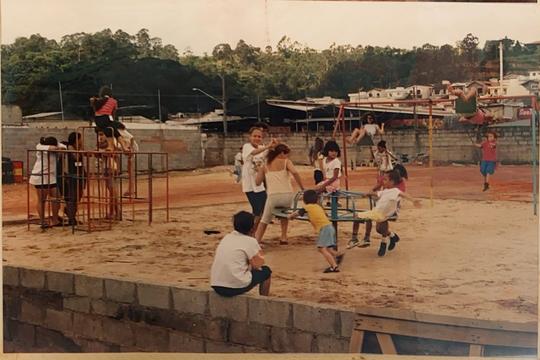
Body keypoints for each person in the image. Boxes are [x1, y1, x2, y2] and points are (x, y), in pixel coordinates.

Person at [352, 171, 421, 256]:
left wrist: (413, 200)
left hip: (383, 214)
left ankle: (360, 238)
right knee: (378, 229)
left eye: (385, 180)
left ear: (391, 182)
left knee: (359, 216)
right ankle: (392, 236)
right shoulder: (385, 191)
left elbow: (404, 195)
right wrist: (367, 193)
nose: (382, 182)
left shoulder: (395, 191)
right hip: (377, 212)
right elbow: (376, 194)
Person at [210, 211, 272, 297]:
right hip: (234, 286)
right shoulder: (251, 241)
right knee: (266, 272)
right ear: (252, 228)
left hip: (216, 284)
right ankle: (264, 299)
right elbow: (259, 265)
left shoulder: (227, 237)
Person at [255, 144, 305, 245]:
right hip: (287, 195)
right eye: (287, 154)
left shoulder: (265, 164)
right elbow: (295, 172)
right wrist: (302, 188)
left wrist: (260, 171)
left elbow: (257, 182)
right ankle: (283, 237)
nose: (287, 157)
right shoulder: (286, 162)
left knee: (264, 220)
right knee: (284, 215)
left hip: (273, 195)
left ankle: (257, 240)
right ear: (282, 153)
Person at [288, 190, 344, 273]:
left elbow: (297, 213)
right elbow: (324, 215)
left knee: (321, 249)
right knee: (329, 248)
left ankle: (334, 266)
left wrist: (290, 216)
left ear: (305, 200)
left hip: (324, 228)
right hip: (329, 227)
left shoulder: (308, 207)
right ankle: (338, 255)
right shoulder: (318, 206)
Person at [241, 127, 278, 233]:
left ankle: (252, 232)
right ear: (250, 137)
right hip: (250, 185)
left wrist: (273, 146)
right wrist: (268, 146)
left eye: (259, 136)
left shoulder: (263, 148)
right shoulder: (246, 147)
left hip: (260, 185)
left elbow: (270, 154)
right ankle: (250, 232)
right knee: (258, 211)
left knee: (262, 211)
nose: (257, 138)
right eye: (255, 136)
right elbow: (254, 152)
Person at [29, 137, 64, 228]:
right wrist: (57, 148)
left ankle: (55, 220)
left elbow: (64, 147)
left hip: (51, 176)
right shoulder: (40, 146)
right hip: (40, 176)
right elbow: (52, 148)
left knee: (56, 197)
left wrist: (59, 147)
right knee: (42, 199)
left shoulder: (55, 146)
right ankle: (42, 221)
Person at [57, 132, 86, 226]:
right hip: (71, 177)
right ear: (76, 140)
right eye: (80, 139)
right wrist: (80, 150)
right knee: (72, 197)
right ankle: (71, 218)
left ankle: (70, 215)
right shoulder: (69, 148)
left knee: (76, 197)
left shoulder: (75, 148)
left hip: (78, 176)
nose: (82, 141)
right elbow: (76, 158)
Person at [90, 86, 122, 151]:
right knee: (112, 129)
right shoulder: (113, 101)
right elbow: (113, 114)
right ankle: (114, 146)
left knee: (110, 129)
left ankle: (114, 146)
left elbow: (95, 112)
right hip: (106, 119)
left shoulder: (98, 101)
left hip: (97, 120)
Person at [96, 130, 120, 219]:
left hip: (111, 167)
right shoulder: (102, 144)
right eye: (99, 135)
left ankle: (115, 212)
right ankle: (114, 212)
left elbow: (112, 154)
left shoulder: (111, 142)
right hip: (106, 167)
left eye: (102, 134)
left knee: (113, 192)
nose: (100, 137)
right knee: (112, 192)